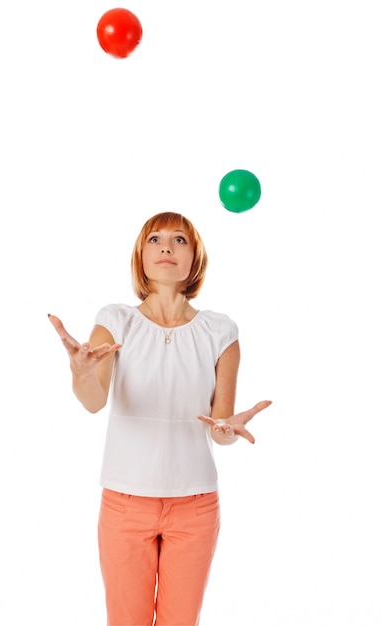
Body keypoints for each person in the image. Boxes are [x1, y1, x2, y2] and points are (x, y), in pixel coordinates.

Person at [49, 211, 271, 626]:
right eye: (154, 239)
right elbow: (94, 401)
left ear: (195, 260)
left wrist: (230, 430)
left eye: (179, 240)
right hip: (125, 504)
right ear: (141, 257)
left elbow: (219, 427)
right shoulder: (115, 320)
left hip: (196, 507)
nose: (166, 246)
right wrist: (80, 372)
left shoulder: (221, 332)